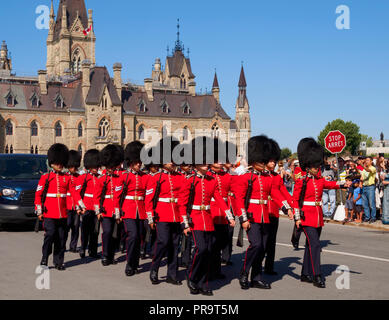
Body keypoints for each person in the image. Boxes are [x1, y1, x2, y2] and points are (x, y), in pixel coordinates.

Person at [234, 135, 293, 291]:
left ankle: (256, 277)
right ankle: (244, 272)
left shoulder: (267, 178)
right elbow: (239, 200)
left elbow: (276, 194)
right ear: (254, 161)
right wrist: (243, 218)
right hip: (251, 216)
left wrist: (286, 208)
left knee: (263, 248)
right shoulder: (246, 177)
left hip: (264, 216)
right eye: (261, 160)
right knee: (256, 244)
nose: (264, 163)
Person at [179, 136, 235, 296]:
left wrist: (229, 216)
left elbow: (219, 199)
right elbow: (183, 204)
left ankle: (203, 283)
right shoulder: (190, 180)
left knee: (209, 251)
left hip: (207, 219)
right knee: (201, 249)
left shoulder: (211, 180)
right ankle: (192, 277)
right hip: (195, 219)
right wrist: (185, 224)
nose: (206, 164)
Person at [292, 138, 350, 288]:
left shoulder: (319, 180)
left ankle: (305, 274)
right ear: (308, 166)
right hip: (306, 216)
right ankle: (317, 275)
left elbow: (331, 184)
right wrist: (297, 218)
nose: (318, 168)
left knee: (310, 246)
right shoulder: (301, 181)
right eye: (315, 166)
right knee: (316, 245)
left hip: (317, 215)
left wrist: (344, 183)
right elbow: (295, 201)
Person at [35, 144, 85, 270]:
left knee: (61, 238)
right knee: (50, 235)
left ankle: (58, 261)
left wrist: (81, 205)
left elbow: (74, 193)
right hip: (49, 213)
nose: (59, 165)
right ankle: (45, 257)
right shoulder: (45, 178)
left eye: (61, 163)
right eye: (57, 162)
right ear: (52, 163)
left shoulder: (67, 178)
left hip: (62, 213)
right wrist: (39, 211)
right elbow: (38, 194)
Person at [145, 137, 185, 286]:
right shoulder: (156, 178)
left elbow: (183, 197)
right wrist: (150, 218)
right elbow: (149, 199)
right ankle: (154, 268)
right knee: (162, 242)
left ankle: (172, 274)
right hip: (162, 214)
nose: (172, 162)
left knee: (175, 244)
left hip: (176, 214)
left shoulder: (180, 177)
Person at [114, 141, 147, 276]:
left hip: (141, 210)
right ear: (130, 162)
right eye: (136, 161)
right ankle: (129, 263)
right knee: (132, 236)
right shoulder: (123, 176)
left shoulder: (145, 177)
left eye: (140, 161)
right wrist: (117, 213)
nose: (139, 164)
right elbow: (117, 196)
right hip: (128, 209)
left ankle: (135, 262)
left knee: (139, 237)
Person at [264, 139, 293, 276]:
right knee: (261, 243)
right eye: (270, 161)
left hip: (274, 212)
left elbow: (284, 193)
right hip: (262, 212)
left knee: (271, 242)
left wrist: (293, 205)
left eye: (274, 161)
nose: (273, 163)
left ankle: (269, 267)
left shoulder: (276, 177)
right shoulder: (260, 176)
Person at [93, 144, 123, 266]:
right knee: (107, 232)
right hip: (105, 209)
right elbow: (96, 197)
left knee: (115, 234)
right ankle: (105, 255)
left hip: (116, 210)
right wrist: (98, 211)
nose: (111, 168)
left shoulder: (119, 178)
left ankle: (111, 255)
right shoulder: (101, 179)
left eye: (112, 166)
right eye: (109, 166)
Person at [78, 149, 101, 259]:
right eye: (94, 166)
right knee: (85, 230)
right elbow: (78, 193)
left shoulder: (100, 178)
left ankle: (93, 251)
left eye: (97, 166)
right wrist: (80, 207)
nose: (96, 168)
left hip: (96, 208)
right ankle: (83, 248)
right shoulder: (84, 177)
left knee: (95, 230)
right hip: (86, 206)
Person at [64, 150, 82, 253]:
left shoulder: (79, 178)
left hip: (76, 206)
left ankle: (73, 246)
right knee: (66, 227)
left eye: (75, 167)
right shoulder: (65, 177)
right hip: (67, 205)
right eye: (72, 167)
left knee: (75, 227)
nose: (74, 169)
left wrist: (79, 206)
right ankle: (62, 244)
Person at [361, 156, 377, 223]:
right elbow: (362, 177)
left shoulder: (373, 168)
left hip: (370, 187)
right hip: (364, 186)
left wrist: (361, 165)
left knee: (371, 204)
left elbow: (368, 170)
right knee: (365, 204)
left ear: (371, 161)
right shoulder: (364, 169)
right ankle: (367, 217)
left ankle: (373, 217)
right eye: (366, 160)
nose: (366, 161)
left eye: (367, 160)